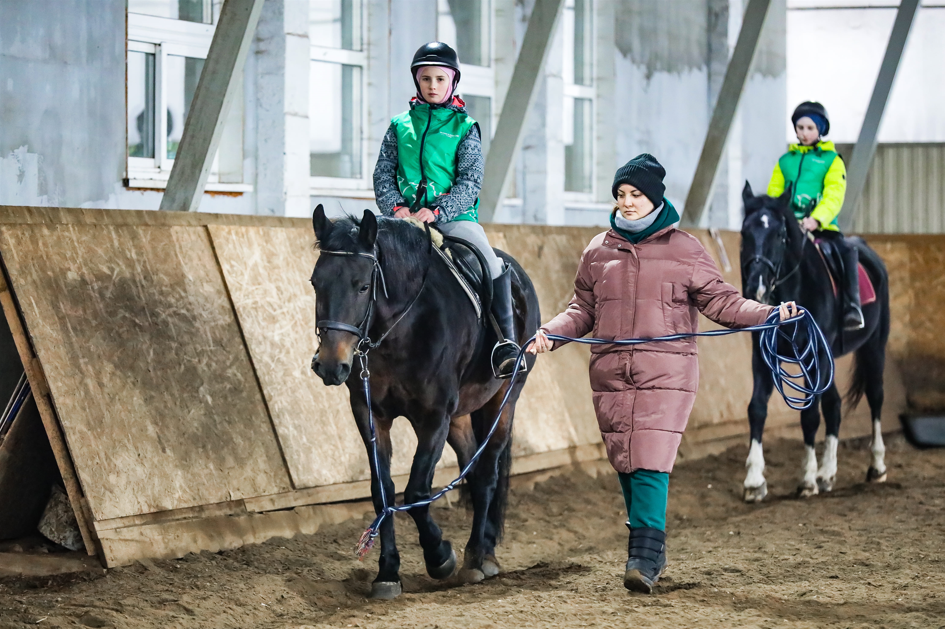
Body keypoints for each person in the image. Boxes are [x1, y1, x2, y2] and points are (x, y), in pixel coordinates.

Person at [527, 154, 799, 593]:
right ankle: (649, 544)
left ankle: (644, 556)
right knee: (626, 462)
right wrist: (549, 335)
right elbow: (582, 310)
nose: (627, 203)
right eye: (621, 195)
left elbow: (724, 303)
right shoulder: (598, 251)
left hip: (667, 372)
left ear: (654, 199)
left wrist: (769, 314)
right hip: (611, 371)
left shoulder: (686, 249)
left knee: (650, 458)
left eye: (635, 195)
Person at [373, 41, 522, 378]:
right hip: (402, 219)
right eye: (426, 79)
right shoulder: (399, 126)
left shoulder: (465, 128)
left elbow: (471, 180)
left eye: (440, 79)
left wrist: (437, 212)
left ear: (453, 81)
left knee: (488, 259)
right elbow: (383, 171)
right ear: (417, 81)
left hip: (453, 220)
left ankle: (505, 343)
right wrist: (395, 207)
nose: (433, 86)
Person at [767, 101, 863, 330]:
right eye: (800, 128)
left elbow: (834, 195)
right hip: (789, 230)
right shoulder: (785, 162)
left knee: (848, 250)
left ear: (820, 129)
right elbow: (774, 195)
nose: (804, 133)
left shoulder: (832, 161)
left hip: (821, 228)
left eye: (810, 128)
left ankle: (852, 306)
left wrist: (816, 219)